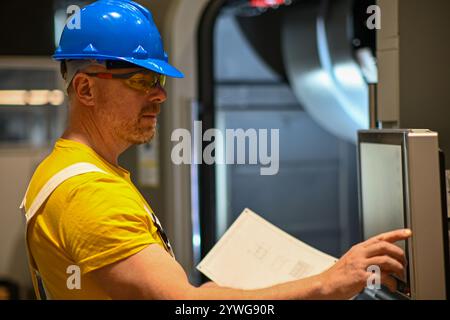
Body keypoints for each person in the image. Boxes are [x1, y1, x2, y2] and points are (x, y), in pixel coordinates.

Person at [21, 0, 411, 300]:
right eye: (140, 80)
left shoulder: (68, 168)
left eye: (158, 79)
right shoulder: (90, 195)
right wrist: (328, 284)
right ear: (86, 89)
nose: (160, 94)